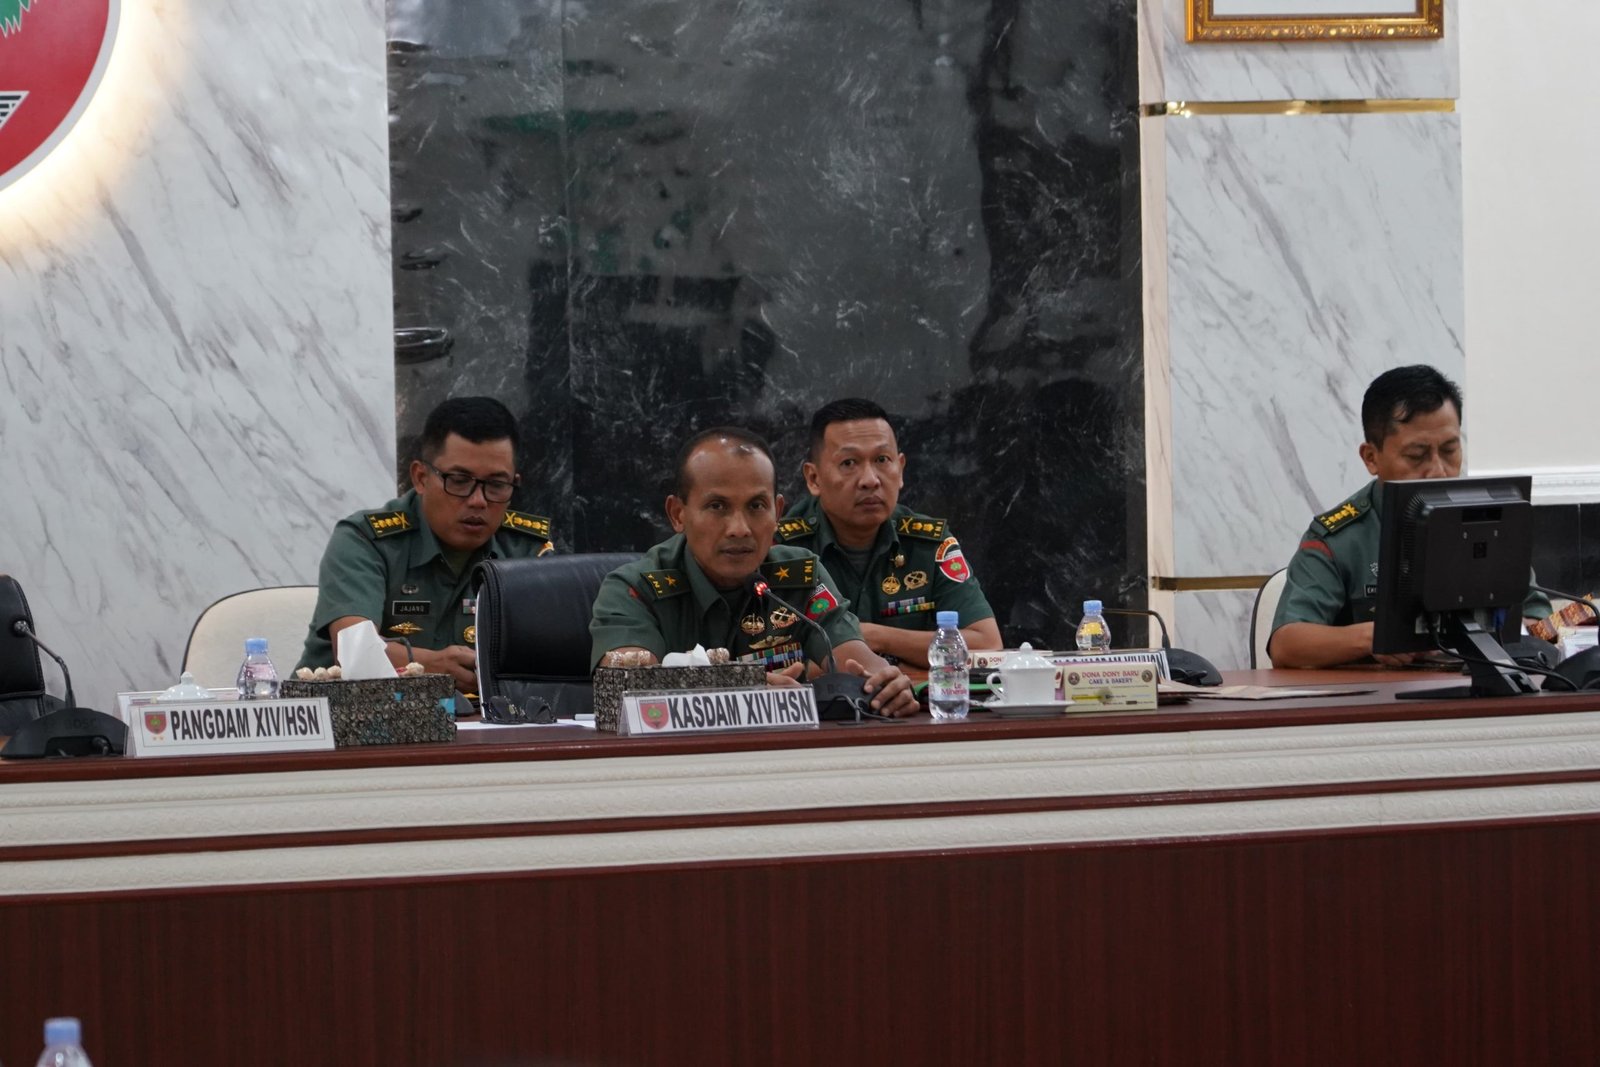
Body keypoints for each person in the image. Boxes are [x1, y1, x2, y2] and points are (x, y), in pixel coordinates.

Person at [589, 426, 920, 717]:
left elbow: (854, 660)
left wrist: (886, 684)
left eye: (756, 506)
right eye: (717, 506)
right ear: (678, 514)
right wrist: (742, 691)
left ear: (777, 513)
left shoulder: (801, 576)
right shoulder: (634, 589)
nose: (739, 529)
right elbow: (627, 687)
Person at [1269, 364, 1551, 669]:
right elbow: (1287, 644)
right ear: (1371, 458)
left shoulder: (1490, 520)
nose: (1438, 471)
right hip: (1380, 694)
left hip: (1481, 687)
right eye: (1416, 456)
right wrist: (1374, 638)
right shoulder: (1340, 539)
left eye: (1450, 450)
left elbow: (1537, 620)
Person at [296, 397, 554, 689]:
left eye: (496, 485)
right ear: (420, 478)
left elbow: (560, 655)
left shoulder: (528, 551)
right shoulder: (365, 540)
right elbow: (355, 652)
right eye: (459, 480)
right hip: (356, 712)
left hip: (486, 716)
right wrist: (432, 667)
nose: (478, 500)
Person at [779, 398, 1001, 668]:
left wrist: (877, 637)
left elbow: (987, 644)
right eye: (848, 463)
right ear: (814, 478)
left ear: (901, 468)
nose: (870, 480)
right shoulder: (781, 551)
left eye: (882, 460)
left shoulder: (928, 542)